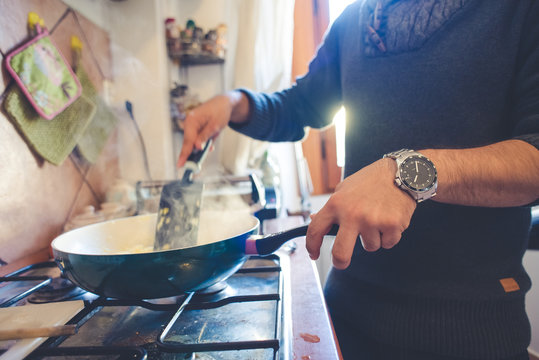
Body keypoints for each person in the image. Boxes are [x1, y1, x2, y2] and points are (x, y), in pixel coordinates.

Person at [177, 1, 539, 359]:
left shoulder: (520, 12)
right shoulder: (355, 20)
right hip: (346, 313)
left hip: (472, 329)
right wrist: (234, 102)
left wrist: (408, 171)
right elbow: (301, 106)